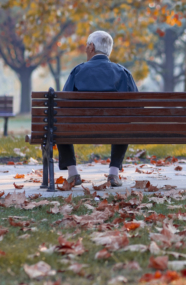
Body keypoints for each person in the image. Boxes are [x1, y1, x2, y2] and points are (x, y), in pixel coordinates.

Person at [57, 30, 138, 187]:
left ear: (91, 47)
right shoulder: (122, 72)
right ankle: (113, 174)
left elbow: (63, 105)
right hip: (116, 129)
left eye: (87, 46)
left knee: (58, 123)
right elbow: (137, 107)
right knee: (123, 123)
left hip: (79, 129)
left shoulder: (78, 71)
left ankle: (73, 173)